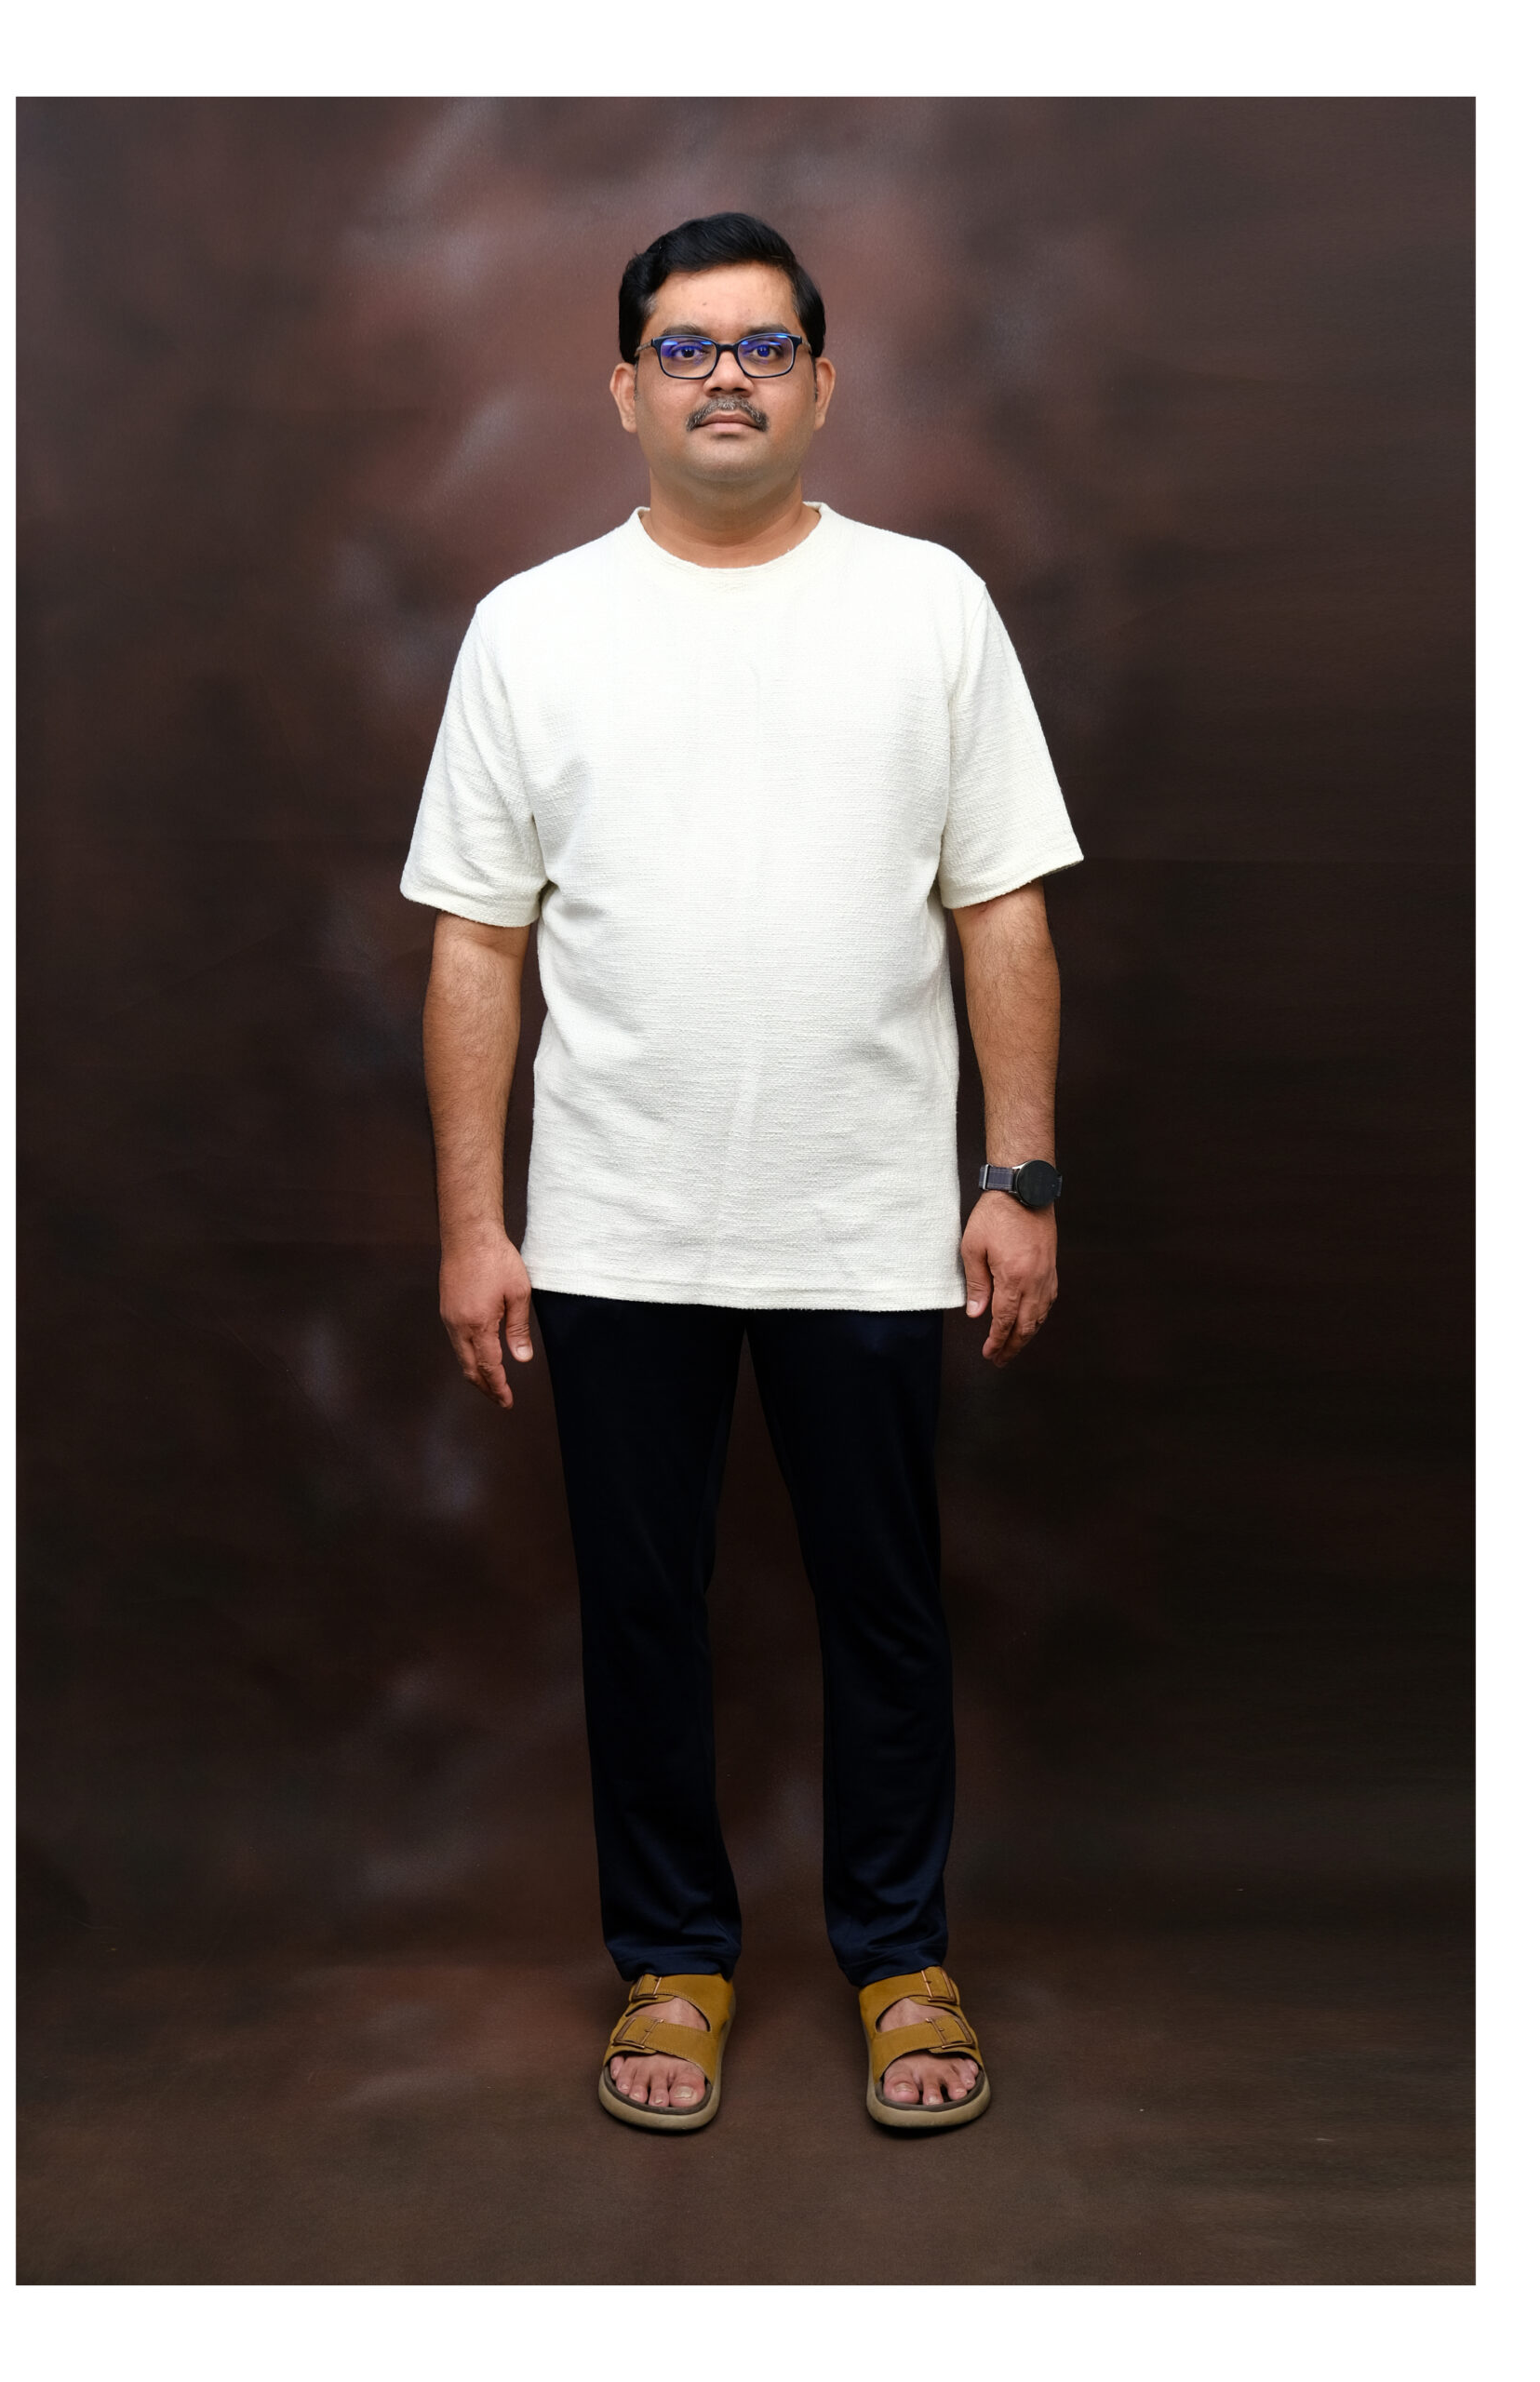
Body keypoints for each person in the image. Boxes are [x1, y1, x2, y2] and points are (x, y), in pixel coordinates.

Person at [400, 211, 1082, 2134]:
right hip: (616, 1224)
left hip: (869, 1218)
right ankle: (675, 1960)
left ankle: (900, 1955)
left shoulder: (928, 606)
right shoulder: (530, 627)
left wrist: (1019, 1172)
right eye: (685, 349)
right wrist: (474, 1223)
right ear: (622, 388)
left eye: (763, 347)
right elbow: (476, 941)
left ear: (822, 385)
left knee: (885, 1604)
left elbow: (1001, 905)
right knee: (641, 1608)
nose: (725, 377)